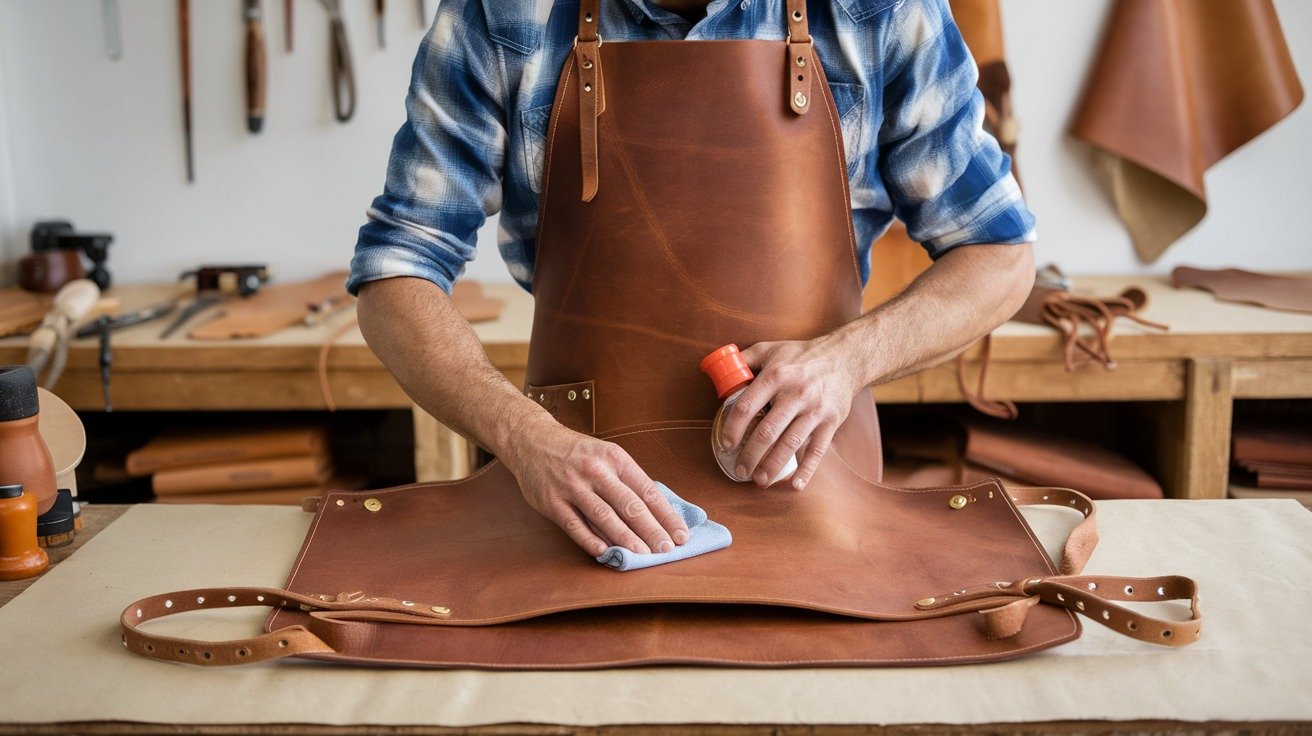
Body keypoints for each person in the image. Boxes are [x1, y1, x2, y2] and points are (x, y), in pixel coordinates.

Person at [350, 0, 1035, 560]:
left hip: (818, 485)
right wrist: (524, 438)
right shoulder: (499, 16)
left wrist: (846, 361)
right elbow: (398, 270)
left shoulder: (879, 13)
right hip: (575, 499)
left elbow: (999, 253)